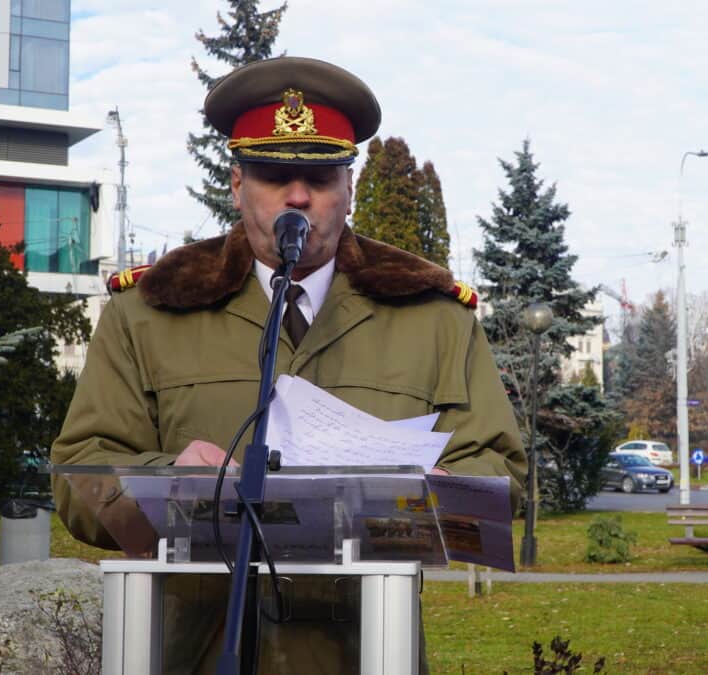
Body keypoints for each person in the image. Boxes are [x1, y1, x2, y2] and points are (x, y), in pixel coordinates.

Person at [51, 56, 526, 674]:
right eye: (275, 175)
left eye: (322, 177)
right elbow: (78, 474)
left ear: (349, 188)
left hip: (368, 651)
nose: (299, 196)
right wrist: (172, 482)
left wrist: (399, 502)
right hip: (199, 651)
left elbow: (499, 472)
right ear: (236, 183)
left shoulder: (433, 315)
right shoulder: (148, 310)